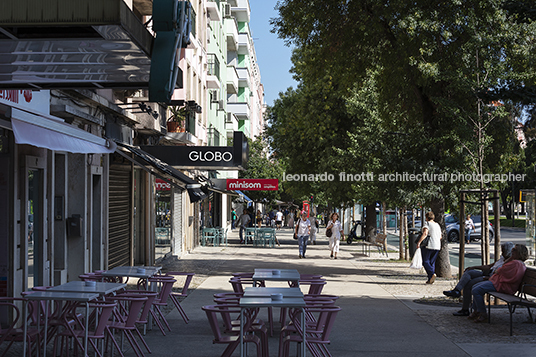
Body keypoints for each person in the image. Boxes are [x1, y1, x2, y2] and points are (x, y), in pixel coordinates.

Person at [444, 241, 515, 316]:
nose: (502, 252)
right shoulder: (502, 258)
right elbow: (488, 266)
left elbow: (501, 276)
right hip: (488, 274)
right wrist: (474, 267)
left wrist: (487, 277)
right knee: (469, 272)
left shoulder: (510, 262)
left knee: (470, 284)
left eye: (503, 250)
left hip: (492, 278)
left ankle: (467, 310)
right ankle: (457, 290)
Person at [469, 244, 529, 322]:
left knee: (476, 290)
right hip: (499, 283)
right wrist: (511, 258)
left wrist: (499, 270)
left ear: (520, 253)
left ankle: (482, 313)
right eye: (512, 249)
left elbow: (499, 270)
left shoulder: (516, 263)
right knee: (475, 287)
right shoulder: (516, 262)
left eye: (514, 250)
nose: (512, 251)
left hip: (503, 286)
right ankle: (477, 311)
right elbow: (501, 269)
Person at [416, 211, 442, 284]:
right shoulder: (437, 225)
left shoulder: (427, 224)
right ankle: (430, 279)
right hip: (437, 245)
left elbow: (425, 233)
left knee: (425, 261)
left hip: (429, 245)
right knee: (432, 262)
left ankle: (432, 273)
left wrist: (419, 242)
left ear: (426, 218)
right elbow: (440, 237)